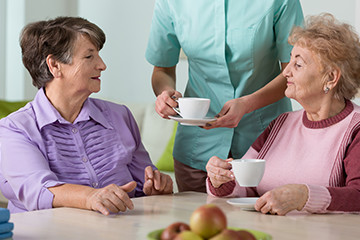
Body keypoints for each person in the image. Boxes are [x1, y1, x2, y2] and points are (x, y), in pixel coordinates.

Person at [0, 17, 173, 215]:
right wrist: (90, 196)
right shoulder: (15, 128)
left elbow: (144, 183)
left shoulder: (120, 116)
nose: (102, 65)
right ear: (54, 65)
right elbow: (37, 189)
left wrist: (156, 187)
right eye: (89, 57)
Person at [206, 13, 360, 215]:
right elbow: (245, 186)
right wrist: (220, 179)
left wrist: (305, 196)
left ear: (330, 77)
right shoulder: (281, 123)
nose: (286, 73)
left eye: (298, 65)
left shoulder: (355, 129)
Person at [145, 0, 304, 192]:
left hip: (265, 146)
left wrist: (247, 104)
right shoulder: (171, 3)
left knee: (265, 221)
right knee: (197, 221)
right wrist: (165, 94)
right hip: (197, 150)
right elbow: (162, 69)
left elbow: (295, 72)